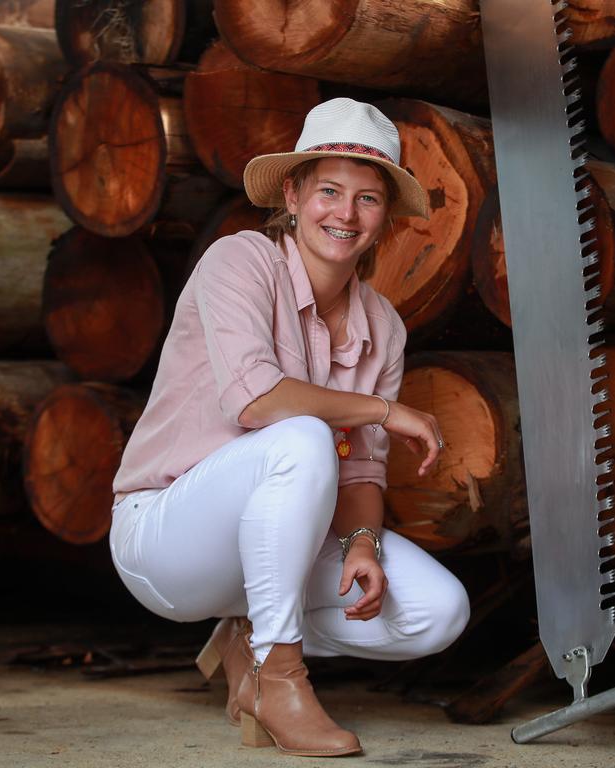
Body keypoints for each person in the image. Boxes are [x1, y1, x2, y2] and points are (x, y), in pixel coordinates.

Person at [110, 98, 470, 757]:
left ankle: (249, 641)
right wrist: (386, 411)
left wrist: (362, 541)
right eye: (329, 190)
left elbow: (361, 470)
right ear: (294, 193)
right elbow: (258, 404)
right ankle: (280, 677)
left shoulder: (382, 325)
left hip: (277, 548)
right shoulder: (239, 261)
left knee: (439, 610)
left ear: (385, 215)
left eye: (367, 198)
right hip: (166, 536)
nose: (346, 214)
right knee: (301, 436)